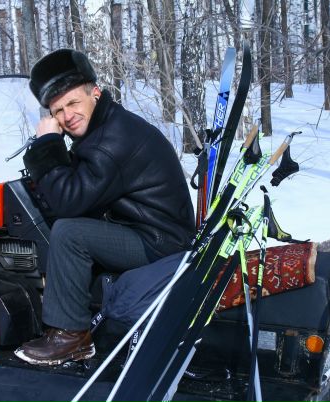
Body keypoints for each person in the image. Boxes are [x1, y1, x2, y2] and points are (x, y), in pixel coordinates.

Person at [14, 49, 195, 366]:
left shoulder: (112, 139)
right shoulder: (107, 125)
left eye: (73, 103)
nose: (67, 116)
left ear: (94, 93)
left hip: (160, 242)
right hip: (145, 228)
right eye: (58, 111)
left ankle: (70, 337)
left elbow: (69, 202)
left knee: (69, 233)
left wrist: (47, 146)